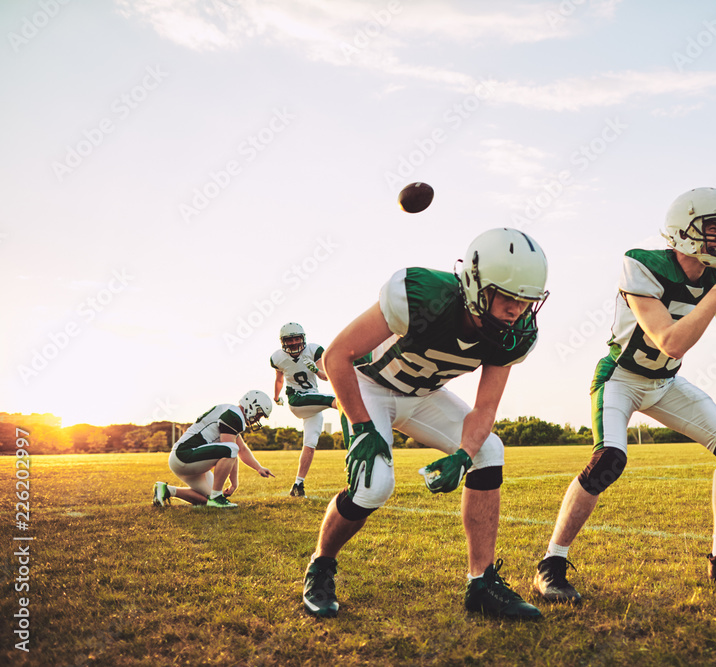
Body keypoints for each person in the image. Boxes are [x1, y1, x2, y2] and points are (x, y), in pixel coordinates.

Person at [533, 187, 716, 606]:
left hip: (665, 384)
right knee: (608, 459)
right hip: (621, 378)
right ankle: (551, 564)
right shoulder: (642, 265)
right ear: (683, 229)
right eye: (715, 228)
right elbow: (670, 341)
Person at [302, 228, 550, 620]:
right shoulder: (419, 295)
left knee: (488, 451)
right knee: (373, 486)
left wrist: (464, 456)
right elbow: (336, 356)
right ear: (475, 284)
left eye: (526, 300)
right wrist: (363, 426)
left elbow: (484, 409)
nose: (516, 310)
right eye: (508, 296)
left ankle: (481, 582)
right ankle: (321, 565)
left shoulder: (515, 333)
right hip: (372, 388)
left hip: (423, 396)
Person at [152, 390, 276, 509]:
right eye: (259, 415)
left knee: (207, 501)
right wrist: (234, 483)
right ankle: (216, 497)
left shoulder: (230, 412)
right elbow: (231, 450)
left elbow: (242, 450)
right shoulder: (233, 415)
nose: (258, 419)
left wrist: (259, 468)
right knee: (231, 449)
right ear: (252, 406)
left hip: (187, 459)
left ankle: (166, 490)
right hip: (185, 455)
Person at [271, 322, 339, 497]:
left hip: (313, 403)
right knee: (336, 401)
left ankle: (298, 485)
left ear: (302, 338)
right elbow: (279, 379)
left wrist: (315, 370)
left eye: (296, 338)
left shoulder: (314, 350)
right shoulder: (277, 358)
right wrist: (276, 396)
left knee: (310, 445)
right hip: (297, 400)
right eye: (289, 339)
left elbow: (325, 377)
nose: (293, 342)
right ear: (283, 342)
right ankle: (360, 430)